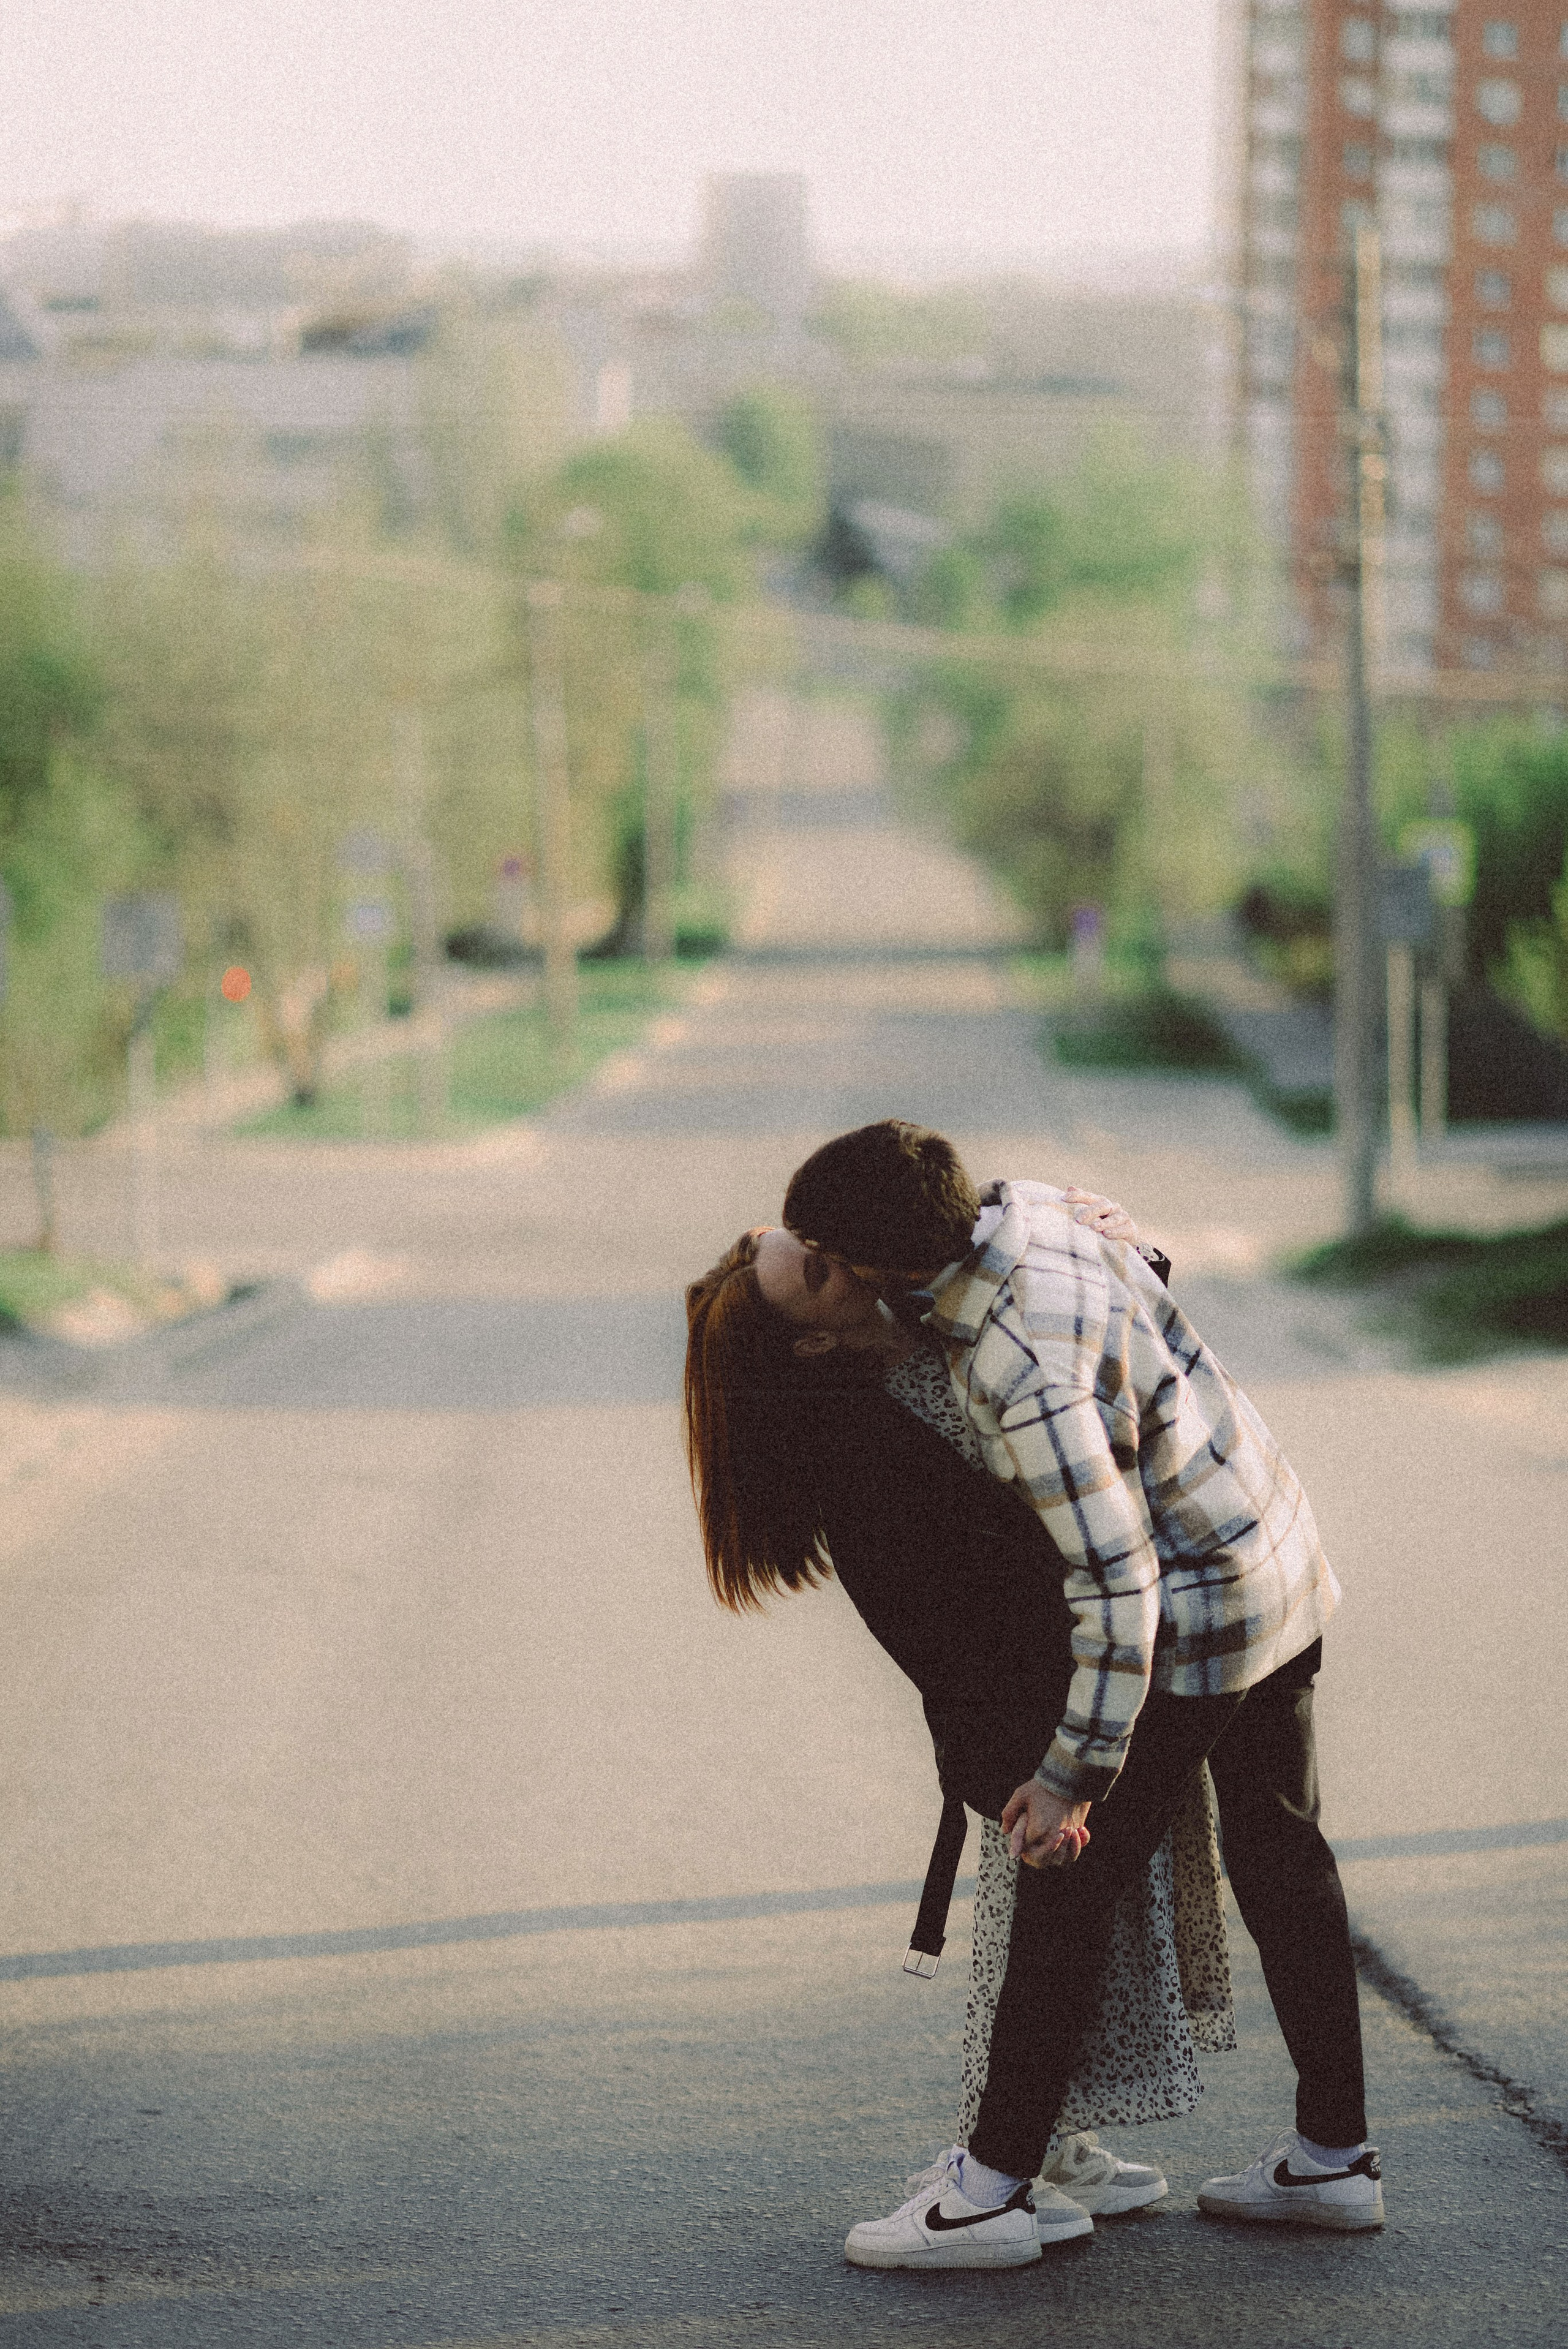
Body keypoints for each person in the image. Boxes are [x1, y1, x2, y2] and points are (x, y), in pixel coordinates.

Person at [777, 1120, 1382, 2238]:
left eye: (819, 1254)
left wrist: (1072, 1777)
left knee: (1066, 1883)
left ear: (881, 1270)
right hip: (1275, 1546)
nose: (798, 1252)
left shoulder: (1024, 1371)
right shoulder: (1027, 1211)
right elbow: (1123, 1249)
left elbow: (1119, 1587)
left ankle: (990, 2193)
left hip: (1200, 1608)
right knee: (1285, 1854)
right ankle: (1336, 2158)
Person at [684, 1210, 1236, 2271]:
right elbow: (970, 1624)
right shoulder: (871, 1443)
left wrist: (1120, 1241)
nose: (834, 1251)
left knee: (1059, 1926)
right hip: (1046, 1695)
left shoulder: (897, 1344)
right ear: (809, 1333)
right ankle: (1004, 2177)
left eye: (811, 1237)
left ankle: (1035, 2155)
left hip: (1068, 1680)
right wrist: (1058, 1759)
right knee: (1056, 1916)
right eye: (812, 1263)